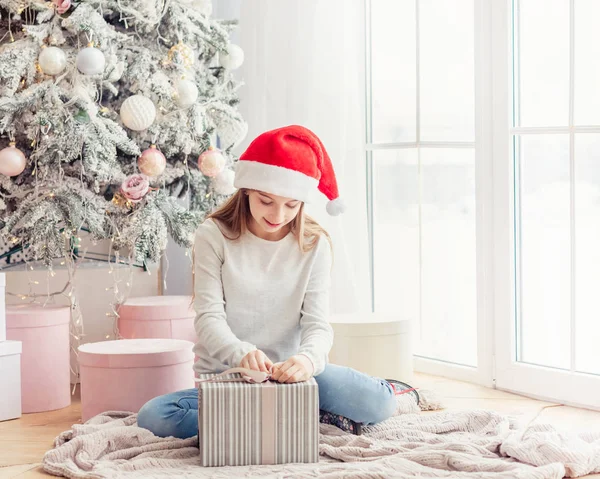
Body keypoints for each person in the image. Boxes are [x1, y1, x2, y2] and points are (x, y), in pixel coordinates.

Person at [137, 125, 410, 439]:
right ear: (248, 189)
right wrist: (240, 353)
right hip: (232, 376)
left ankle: (271, 419)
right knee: (154, 418)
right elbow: (209, 318)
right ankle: (295, 418)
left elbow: (318, 325)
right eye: (266, 201)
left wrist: (307, 360)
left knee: (378, 404)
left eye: (291, 205)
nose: (278, 214)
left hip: (294, 377)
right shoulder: (213, 235)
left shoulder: (313, 243)